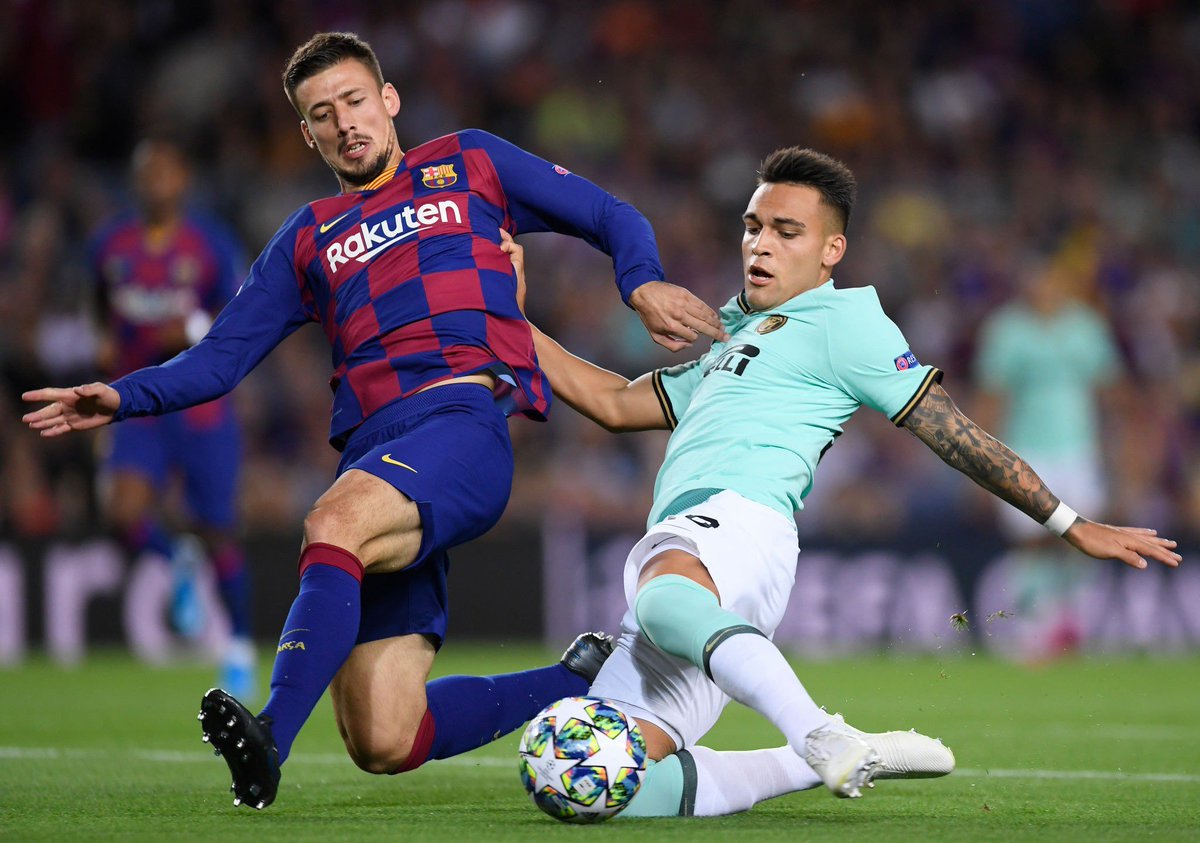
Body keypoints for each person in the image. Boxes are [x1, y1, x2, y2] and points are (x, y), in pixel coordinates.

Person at [21, 31, 725, 811]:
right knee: (384, 735)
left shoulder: (469, 162)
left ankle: (269, 737)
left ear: (388, 100)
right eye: (323, 114)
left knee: (332, 522)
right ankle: (582, 676)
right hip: (375, 452)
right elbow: (219, 359)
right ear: (307, 133)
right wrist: (122, 396)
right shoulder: (307, 235)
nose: (344, 121)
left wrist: (640, 283)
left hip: (459, 421)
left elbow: (605, 212)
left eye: (354, 100)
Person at [503, 146, 1181, 817]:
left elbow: (953, 433)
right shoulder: (738, 333)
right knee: (602, 787)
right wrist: (511, 319)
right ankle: (805, 759)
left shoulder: (846, 322)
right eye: (753, 226)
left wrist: (1069, 522)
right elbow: (616, 403)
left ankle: (817, 731)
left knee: (662, 597)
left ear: (832, 250)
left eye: (787, 231)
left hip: (737, 523)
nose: (761, 244)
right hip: (710, 566)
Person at [89, 135, 256, 698]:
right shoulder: (110, 244)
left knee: (218, 532)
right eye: (145, 172)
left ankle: (239, 648)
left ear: (183, 178)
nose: (154, 181)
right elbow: (97, 305)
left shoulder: (209, 243)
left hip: (200, 404)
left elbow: (238, 315)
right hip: (138, 402)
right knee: (122, 512)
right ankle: (176, 558)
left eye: (163, 170)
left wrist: (188, 329)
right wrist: (102, 340)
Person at [974, 259, 1121, 659]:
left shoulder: (1086, 327)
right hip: (1025, 452)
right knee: (1032, 541)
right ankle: (1034, 629)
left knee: (1082, 538)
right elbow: (991, 399)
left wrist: (1118, 459)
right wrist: (979, 465)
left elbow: (1109, 395)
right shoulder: (1007, 330)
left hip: (1078, 450)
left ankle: (1072, 624)